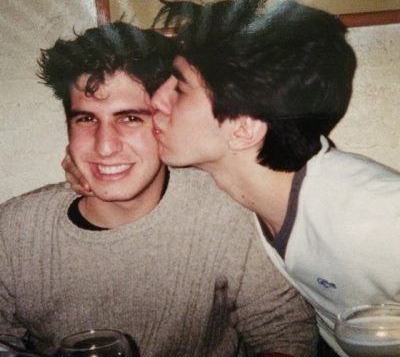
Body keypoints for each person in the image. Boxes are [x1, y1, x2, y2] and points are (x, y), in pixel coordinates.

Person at [0, 21, 317, 357]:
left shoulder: (223, 210)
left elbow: (285, 334)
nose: (105, 147)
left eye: (130, 118)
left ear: (166, 121)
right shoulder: (16, 232)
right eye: (87, 119)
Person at [147, 0, 400, 356]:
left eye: (179, 88)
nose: (156, 99)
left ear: (243, 129)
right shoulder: (262, 194)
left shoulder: (371, 214)